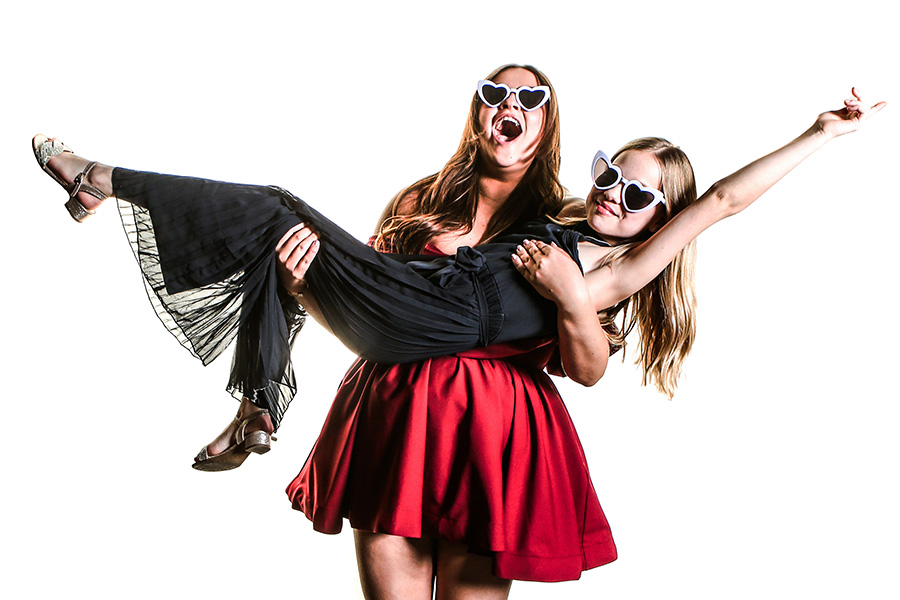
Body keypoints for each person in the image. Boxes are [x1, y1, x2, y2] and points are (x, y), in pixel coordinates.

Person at [32, 74, 883, 593]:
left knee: (271, 205)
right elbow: (473, 198)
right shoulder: (547, 220)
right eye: (617, 177)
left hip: (447, 330)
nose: (622, 196)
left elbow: (724, 202)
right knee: (275, 219)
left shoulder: (611, 273)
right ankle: (257, 396)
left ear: (662, 216)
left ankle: (100, 183)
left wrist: (818, 134)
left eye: (645, 196)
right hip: (414, 303)